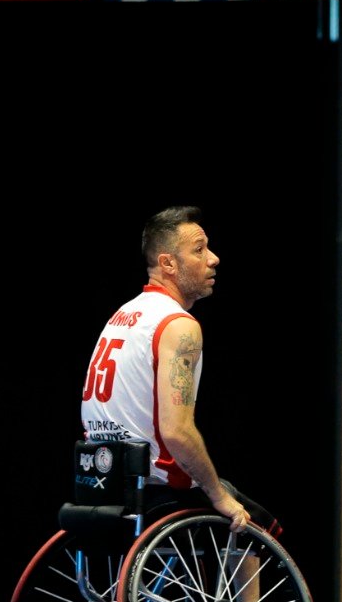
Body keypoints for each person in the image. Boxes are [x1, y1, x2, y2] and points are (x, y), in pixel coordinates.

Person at [82, 206, 275, 531]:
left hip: (99, 479)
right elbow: (176, 432)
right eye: (199, 250)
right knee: (254, 525)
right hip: (153, 488)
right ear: (168, 263)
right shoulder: (178, 326)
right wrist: (217, 495)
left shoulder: (123, 314)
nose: (213, 258)